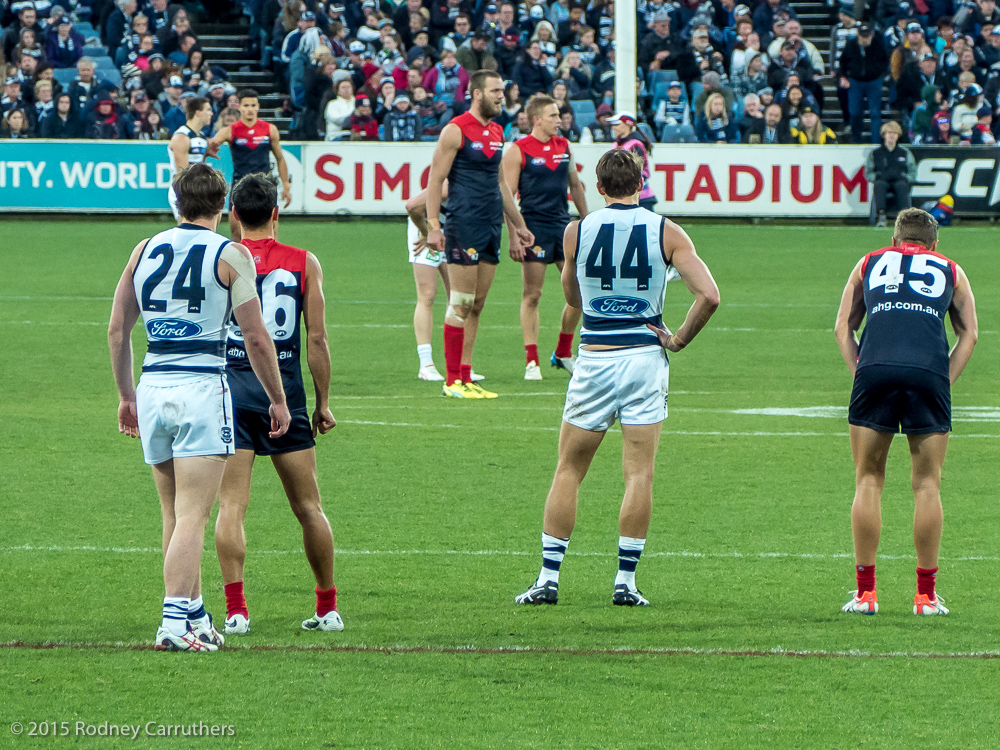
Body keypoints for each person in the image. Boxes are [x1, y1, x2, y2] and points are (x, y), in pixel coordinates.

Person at [514, 149, 720, 607]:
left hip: (596, 356)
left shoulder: (577, 230)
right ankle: (625, 582)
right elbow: (709, 294)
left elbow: (571, 294)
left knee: (569, 469)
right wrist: (679, 338)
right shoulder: (666, 230)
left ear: (600, 188)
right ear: (641, 182)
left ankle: (548, 578)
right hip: (645, 358)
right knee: (638, 475)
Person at [108, 163, 291, 652]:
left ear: (176, 201)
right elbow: (255, 336)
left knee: (172, 512)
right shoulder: (230, 254)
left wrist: (126, 396)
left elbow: (117, 330)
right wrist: (278, 398)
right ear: (223, 207)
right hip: (201, 386)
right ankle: (173, 624)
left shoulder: (143, 249)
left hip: (153, 383)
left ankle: (192, 611)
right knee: (194, 515)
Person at [834, 208, 978, 617]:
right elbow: (969, 332)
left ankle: (865, 595)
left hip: (875, 370)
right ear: (934, 244)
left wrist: (859, 371)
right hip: (929, 373)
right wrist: (943, 378)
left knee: (868, 480)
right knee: (927, 484)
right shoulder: (951, 269)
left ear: (896, 240)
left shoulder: (869, 262)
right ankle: (926, 597)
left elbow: (844, 325)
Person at [215, 174, 341, 635]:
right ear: (275, 214)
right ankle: (327, 608)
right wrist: (323, 401)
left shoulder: (223, 260)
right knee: (309, 507)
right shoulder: (304, 263)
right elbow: (318, 339)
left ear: (233, 215)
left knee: (231, 507)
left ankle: (236, 611)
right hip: (284, 395)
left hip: (231, 395)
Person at [425, 68, 534, 399]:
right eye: (496, 91)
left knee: (477, 304)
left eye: (503, 90)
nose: (502, 95)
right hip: (463, 224)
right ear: (476, 94)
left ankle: (466, 377)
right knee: (460, 301)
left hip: (490, 225)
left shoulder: (498, 131)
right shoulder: (455, 131)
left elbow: (501, 183)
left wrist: (518, 224)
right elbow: (434, 180)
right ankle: (451, 381)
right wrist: (433, 225)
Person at [501, 94, 588, 381]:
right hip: (533, 228)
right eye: (553, 116)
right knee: (533, 294)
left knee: (579, 292)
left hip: (563, 228)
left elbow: (575, 186)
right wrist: (514, 235)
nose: (559, 120)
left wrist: (587, 221)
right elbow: (508, 197)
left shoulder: (564, 146)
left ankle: (563, 352)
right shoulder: (518, 150)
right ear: (536, 119)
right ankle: (531, 360)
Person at [207, 89, 292, 243]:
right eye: (246, 105)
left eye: (253, 105)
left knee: (271, 233)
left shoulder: (269, 129)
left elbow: (280, 158)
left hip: (265, 187)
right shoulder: (231, 130)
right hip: (240, 186)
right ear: (239, 107)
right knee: (237, 235)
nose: (250, 109)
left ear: (258, 106)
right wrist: (210, 148)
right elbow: (211, 143)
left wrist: (286, 184)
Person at [405, 181, 452, 381]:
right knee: (427, 295)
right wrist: (427, 232)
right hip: (425, 231)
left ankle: (456, 366)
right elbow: (412, 206)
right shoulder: (450, 184)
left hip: (453, 233)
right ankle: (426, 364)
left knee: (459, 299)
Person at [839, 24, 889, 144]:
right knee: (855, 112)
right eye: (862, 36)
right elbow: (842, 62)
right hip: (856, 82)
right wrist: (843, 76)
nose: (864, 39)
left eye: (867, 36)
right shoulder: (851, 45)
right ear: (858, 34)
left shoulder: (878, 44)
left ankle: (876, 141)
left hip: (874, 81)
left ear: (872, 35)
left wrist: (879, 72)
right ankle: (856, 140)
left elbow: (885, 60)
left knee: (875, 113)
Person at [167, 96, 212, 221]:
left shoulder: (202, 136)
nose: (211, 113)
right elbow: (183, 173)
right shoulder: (182, 136)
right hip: (183, 189)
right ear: (198, 112)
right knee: (185, 227)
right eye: (208, 110)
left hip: (197, 189)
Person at [866, 121, 916, 228]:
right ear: (884, 135)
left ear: (898, 136)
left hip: (899, 180)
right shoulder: (875, 153)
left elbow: (912, 171)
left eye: (895, 133)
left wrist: (906, 178)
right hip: (883, 180)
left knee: (902, 185)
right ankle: (881, 215)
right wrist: (876, 177)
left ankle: (903, 218)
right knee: (879, 184)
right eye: (889, 133)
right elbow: (868, 173)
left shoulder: (904, 152)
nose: (892, 135)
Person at [609, 111, 657, 211]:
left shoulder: (635, 145)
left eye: (617, 124)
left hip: (640, 197)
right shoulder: (617, 144)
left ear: (628, 125)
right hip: (624, 196)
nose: (614, 127)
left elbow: (636, 171)